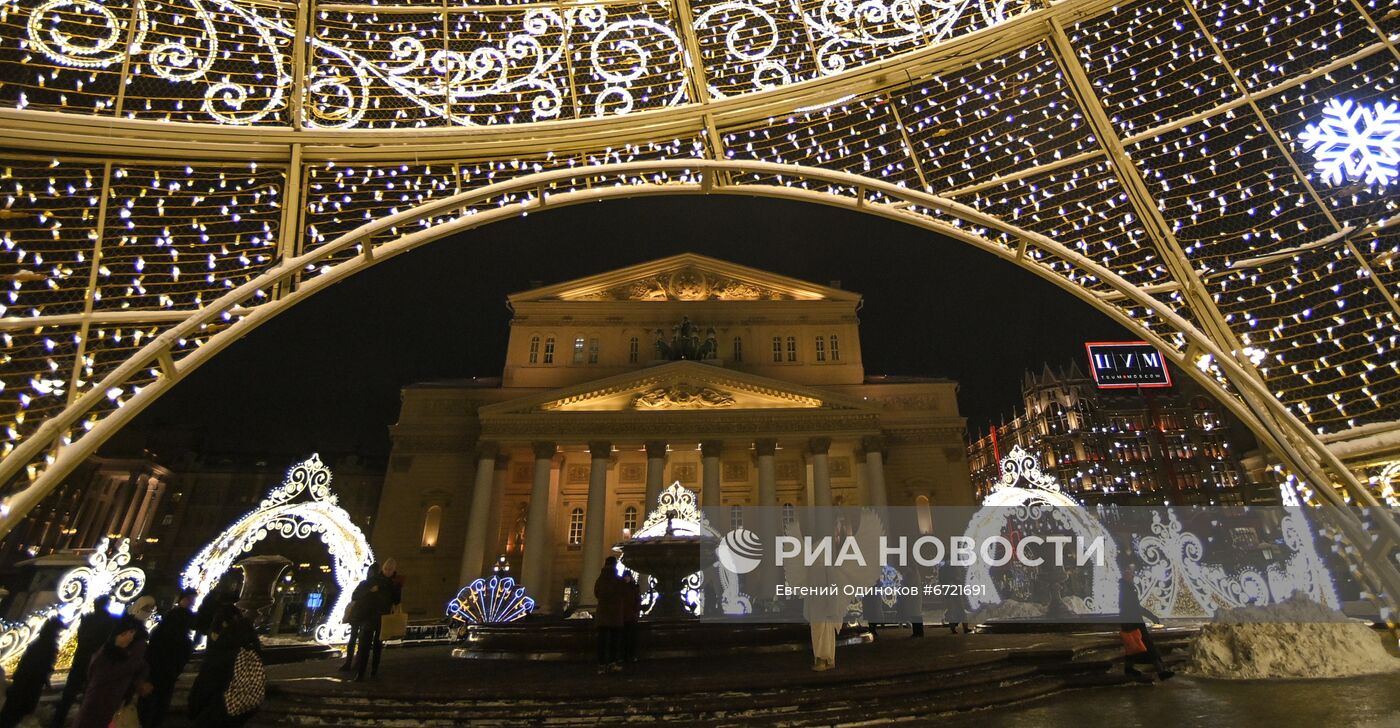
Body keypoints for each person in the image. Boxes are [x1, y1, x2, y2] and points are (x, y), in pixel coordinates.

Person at [187, 605, 264, 727]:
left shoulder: (226, 654)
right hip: (242, 708)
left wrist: (194, 708)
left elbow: (207, 684)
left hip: (219, 707)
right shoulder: (253, 653)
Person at [51, 595, 120, 728]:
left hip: (80, 660)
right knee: (88, 698)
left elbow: (81, 637)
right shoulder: (111, 622)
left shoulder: (88, 618)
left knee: (68, 696)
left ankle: (57, 722)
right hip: (95, 664)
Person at [73, 616, 149, 728]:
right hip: (97, 704)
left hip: (108, 705)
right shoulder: (108, 655)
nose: (130, 636)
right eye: (128, 632)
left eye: (133, 633)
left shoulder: (127, 655)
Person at [138, 589, 198, 727]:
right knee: (157, 711)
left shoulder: (160, 632)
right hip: (166, 678)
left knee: (146, 710)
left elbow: (150, 653)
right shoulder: (184, 642)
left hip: (153, 675)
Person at [0, 617, 64, 728]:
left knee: (9, 715)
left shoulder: (38, 644)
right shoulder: (48, 646)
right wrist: (45, 682)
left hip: (21, 686)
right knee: (12, 716)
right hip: (28, 688)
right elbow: (42, 668)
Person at [1119, 563, 1173, 680]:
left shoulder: (1127, 587)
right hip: (1134, 623)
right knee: (1147, 646)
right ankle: (1161, 671)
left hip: (1131, 622)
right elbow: (1135, 607)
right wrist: (1152, 616)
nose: (1132, 576)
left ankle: (1129, 669)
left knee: (1133, 646)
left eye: (1131, 573)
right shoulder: (1127, 589)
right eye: (1129, 574)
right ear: (1125, 576)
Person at [350, 560, 402, 681]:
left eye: (390, 569)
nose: (388, 571)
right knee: (364, 646)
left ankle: (373, 671)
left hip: (383, 618)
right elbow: (357, 595)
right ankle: (361, 672)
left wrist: (397, 590)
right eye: (386, 569)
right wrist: (370, 591)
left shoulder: (393, 584)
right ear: (383, 569)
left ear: (394, 570)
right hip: (370, 616)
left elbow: (396, 601)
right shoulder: (373, 581)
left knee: (377, 646)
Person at [592, 557, 625, 673]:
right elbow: (623, 593)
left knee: (602, 641)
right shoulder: (619, 580)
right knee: (614, 641)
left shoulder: (600, 580)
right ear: (615, 565)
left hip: (602, 613)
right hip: (615, 614)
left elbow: (596, 593)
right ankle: (612, 663)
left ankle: (601, 665)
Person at [620, 572, 641, 663]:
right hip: (625, 616)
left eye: (628, 576)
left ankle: (631, 655)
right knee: (625, 637)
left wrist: (636, 612)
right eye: (625, 576)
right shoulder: (631, 587)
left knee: (631, 637)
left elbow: (637, 601)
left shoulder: (634, 587)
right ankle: (626, 655)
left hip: (630, 616)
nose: (626, 578)